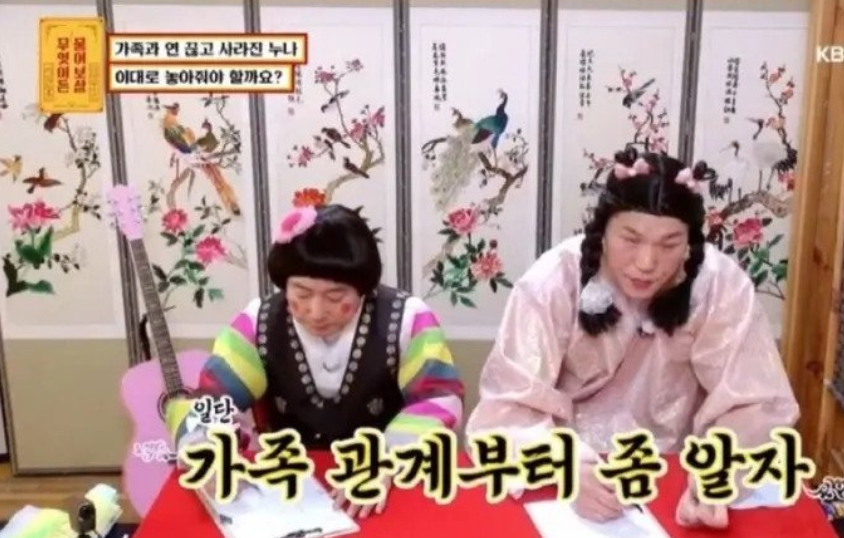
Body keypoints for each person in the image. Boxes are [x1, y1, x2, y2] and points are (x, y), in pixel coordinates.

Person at [466, 148, 800, 528]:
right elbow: (508, 407)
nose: (646, 263)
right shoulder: (554, 281)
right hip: (569, 469)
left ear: (690, 244)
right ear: (602, 231)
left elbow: (756, 403)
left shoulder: (718, 285)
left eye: (669, 244)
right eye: (631, 238)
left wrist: (715, 476)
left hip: (672, 471)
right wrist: (565, 468)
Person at [165, 203, 465, 519]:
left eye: (335, 297)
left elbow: (439, 399)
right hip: (289, 486)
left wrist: (385, 458)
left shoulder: (408, 318)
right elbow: (208, 401)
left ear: (364, 288)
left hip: (386, 484)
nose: (317, 311)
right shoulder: (258, 323)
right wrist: (208, 449)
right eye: (302, 293)